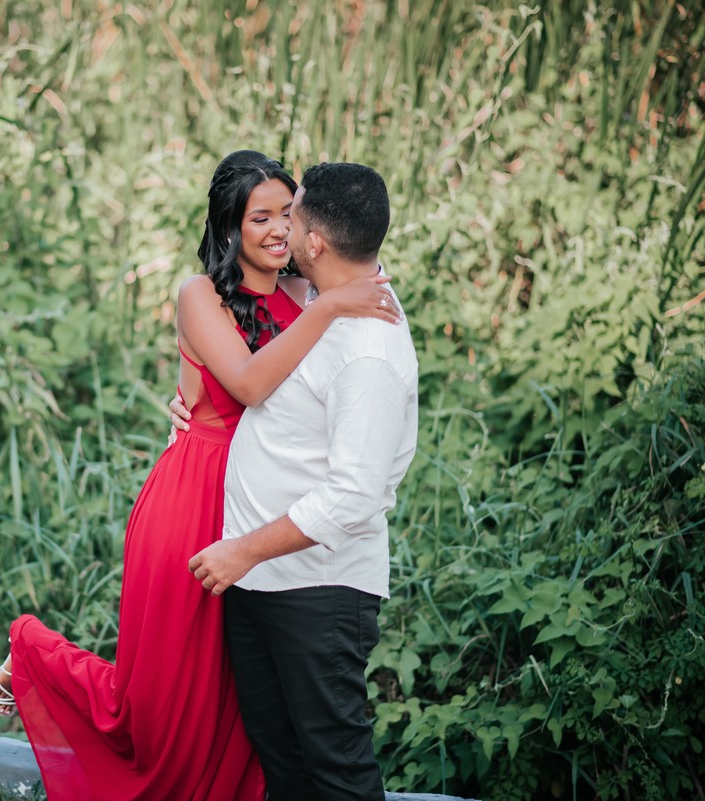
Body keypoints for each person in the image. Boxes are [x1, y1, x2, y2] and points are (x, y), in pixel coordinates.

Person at [0, 150, 402, 801]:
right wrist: (328, 310)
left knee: (238, 705)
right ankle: (34, 654)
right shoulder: (202, 295)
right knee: (158, 703)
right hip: (195, 502)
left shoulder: (309, 290)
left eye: (287, 214)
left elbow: (352, 254)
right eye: (259, 217)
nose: (277, 229)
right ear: (229, 227)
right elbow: (249, 384)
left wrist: (338, 296)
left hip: (264, 515)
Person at [188, 162, 418, 801]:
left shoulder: (368, 349)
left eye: (293, 216)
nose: (283, 227)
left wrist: (242, 550)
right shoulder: (322, 295)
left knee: (336, 770)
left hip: (317, 589)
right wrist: (188, 401)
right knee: (283, 764)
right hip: (262, 580)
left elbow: (352, 496)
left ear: (314, 241)